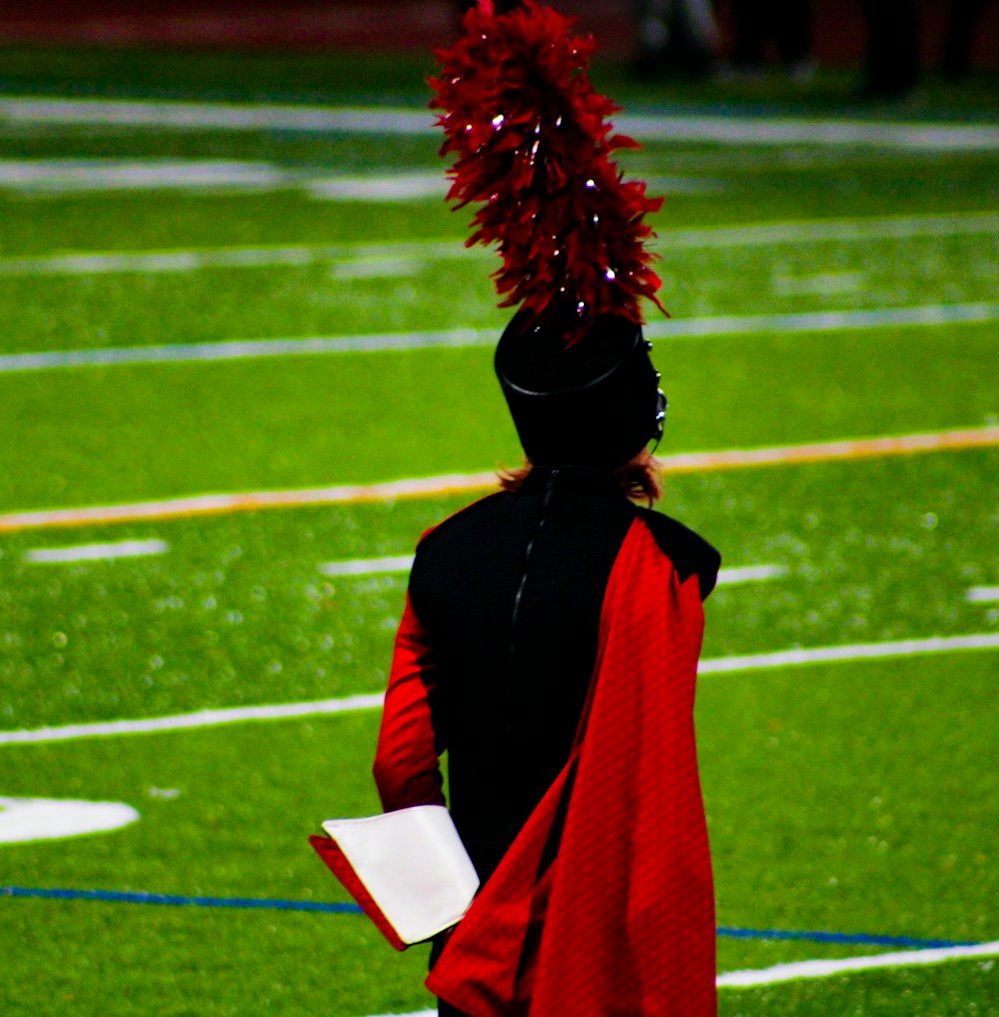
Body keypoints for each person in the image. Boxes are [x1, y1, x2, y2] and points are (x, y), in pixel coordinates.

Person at [373, 3, 721, 1014]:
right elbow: (646, 803)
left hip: (471, 937)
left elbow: (400, 765)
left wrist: (450, 920)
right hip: (593, 946)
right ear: (637, 422)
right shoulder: (663, 562)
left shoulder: (443, 552)